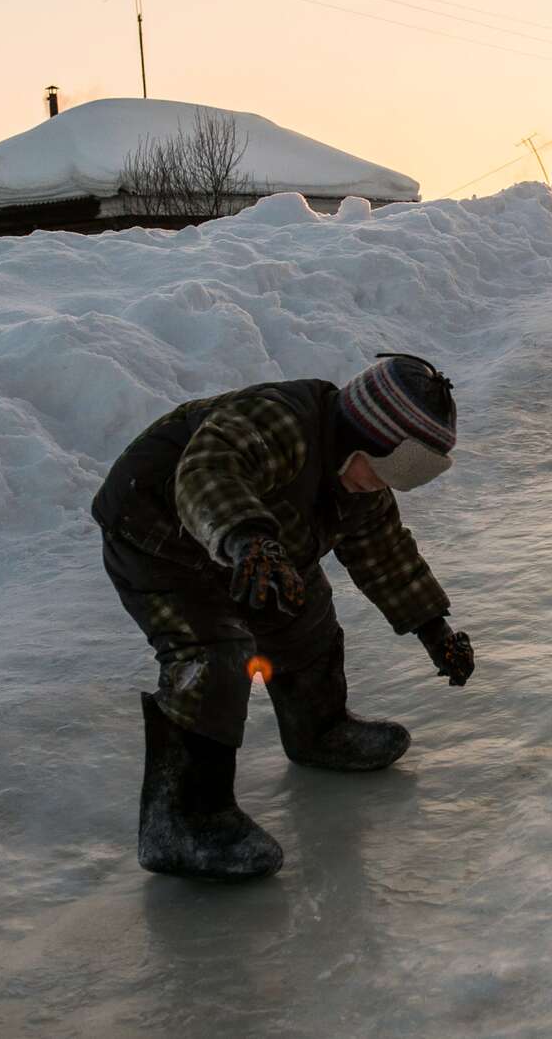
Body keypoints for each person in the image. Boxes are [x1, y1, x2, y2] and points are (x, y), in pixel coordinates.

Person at [91, 354, 476, 881]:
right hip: (160, 535)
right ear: (363, 434)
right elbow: (209, 467)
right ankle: (181, 819)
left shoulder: (358, 482)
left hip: (262, 542)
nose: (384, 485)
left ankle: (319, 730)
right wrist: (247, 538)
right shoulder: (280, 421)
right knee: (213, 655)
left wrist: (434, 629)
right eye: (385, 469)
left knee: (306, 621)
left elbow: (385, 552)